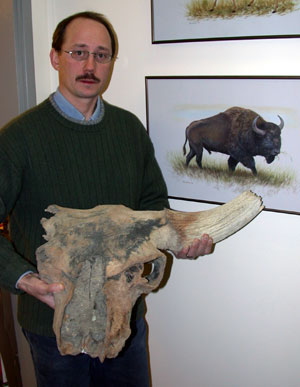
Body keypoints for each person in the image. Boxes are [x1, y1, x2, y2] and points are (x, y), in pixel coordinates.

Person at [0, 11, 213, 387]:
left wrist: (178, 244)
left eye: (101, 55)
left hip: (123, 317)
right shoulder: (18, 140)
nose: (89, 65)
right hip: (54, 326)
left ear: (112, 62)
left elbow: (153, 210)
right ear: (55, 57)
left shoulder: (129, 130)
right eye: (78, 52)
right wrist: (26, 280)